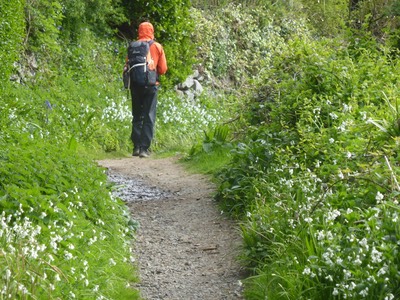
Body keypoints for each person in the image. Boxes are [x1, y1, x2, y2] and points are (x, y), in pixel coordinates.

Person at [127, 21, 167, 158]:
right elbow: (162, 69)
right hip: (151, 85)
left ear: (139, 31)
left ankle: (136, 147)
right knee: (149, 115)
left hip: (135, 84)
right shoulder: (157, 46)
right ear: (152, 31)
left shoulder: (133, 47)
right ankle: (144, 149)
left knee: (137, 115)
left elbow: (127, 65)